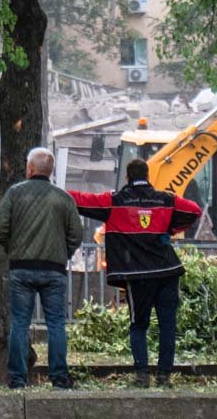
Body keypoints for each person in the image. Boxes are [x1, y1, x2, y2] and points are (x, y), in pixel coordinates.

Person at [70, 159, 201, 388]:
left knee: (139, 325)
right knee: (167, 325)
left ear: (127, 177)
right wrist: (171, 228)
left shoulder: (114, 202)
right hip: (168, 270)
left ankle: (142, 375)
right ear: (148, 175)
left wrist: (55, 189)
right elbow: (194, 210)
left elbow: (81, 200)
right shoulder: (165, 199)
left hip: (138, 275)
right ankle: (164, 376)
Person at [0, 147, 83, 389]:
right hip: (54, 270)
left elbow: (0, 228)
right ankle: (59, 377)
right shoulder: (63, 198)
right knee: (56, 323)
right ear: (50, 170)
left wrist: (13, 249)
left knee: (20, 323)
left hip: (21, 268)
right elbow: (76, 233)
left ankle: (18, 378)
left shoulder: (14, 194)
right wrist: (63, 253)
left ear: (30, 168)